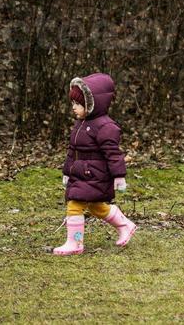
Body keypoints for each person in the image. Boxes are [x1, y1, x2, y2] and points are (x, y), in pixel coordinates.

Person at [52, 72, 136, 255]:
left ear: (92, 104)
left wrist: (119, 176)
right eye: (73, 103)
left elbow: (113, 153)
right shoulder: (80, 124)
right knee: (96, 206)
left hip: (96, 174)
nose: (74, 108)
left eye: (79, 104)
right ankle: (125, 225)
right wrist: (67, 172)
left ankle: (75, 244)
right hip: (81, 173)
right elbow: (72, 151)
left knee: (74, 204)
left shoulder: (105, 127)